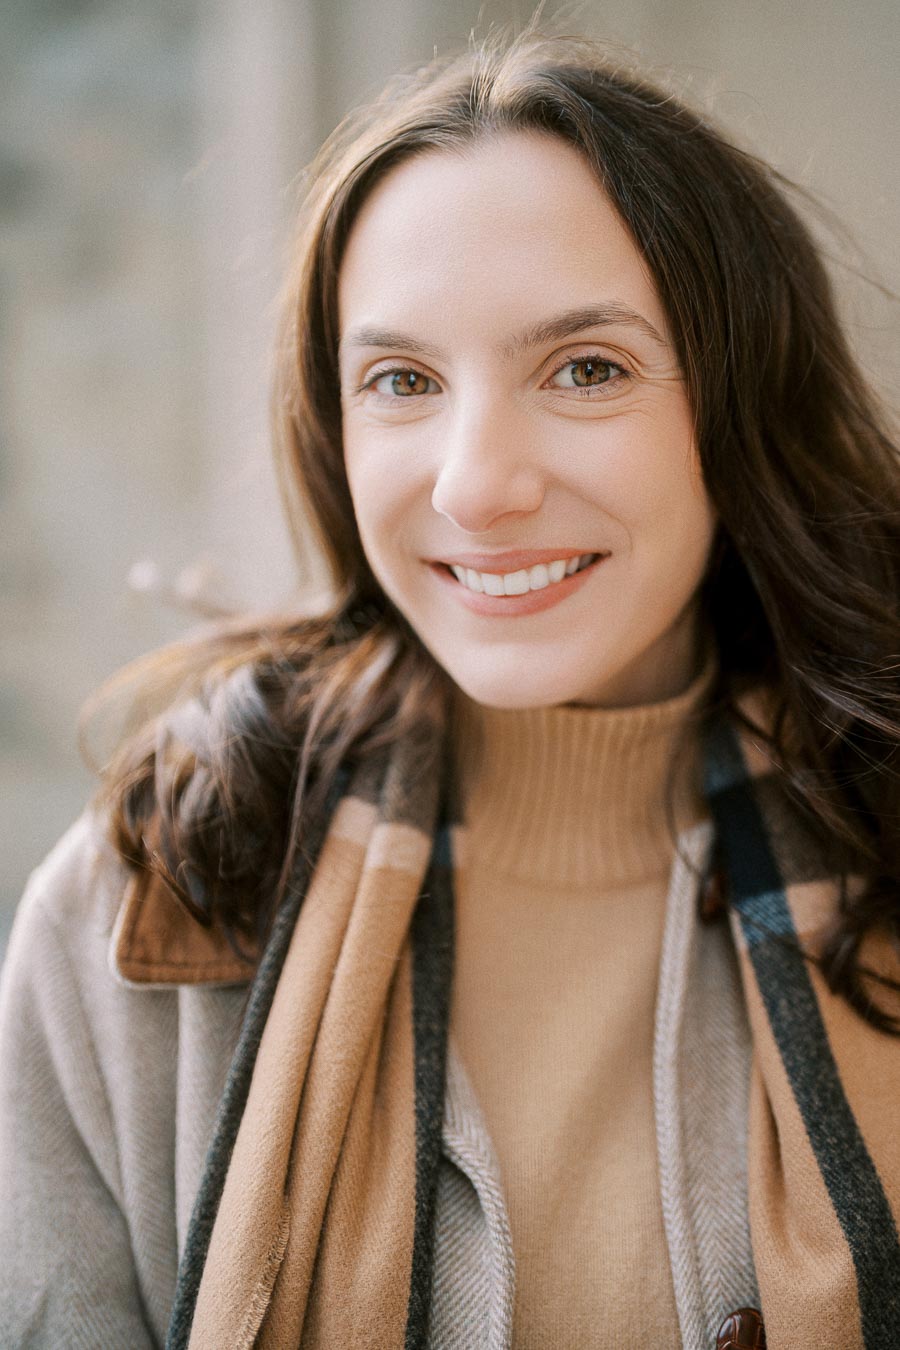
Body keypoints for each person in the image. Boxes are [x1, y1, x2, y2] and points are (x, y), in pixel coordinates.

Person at [1, 24, 898, 1350]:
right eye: (402, 380)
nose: (477, 484)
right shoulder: (157, 892)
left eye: (585, 368)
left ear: (738, 402)